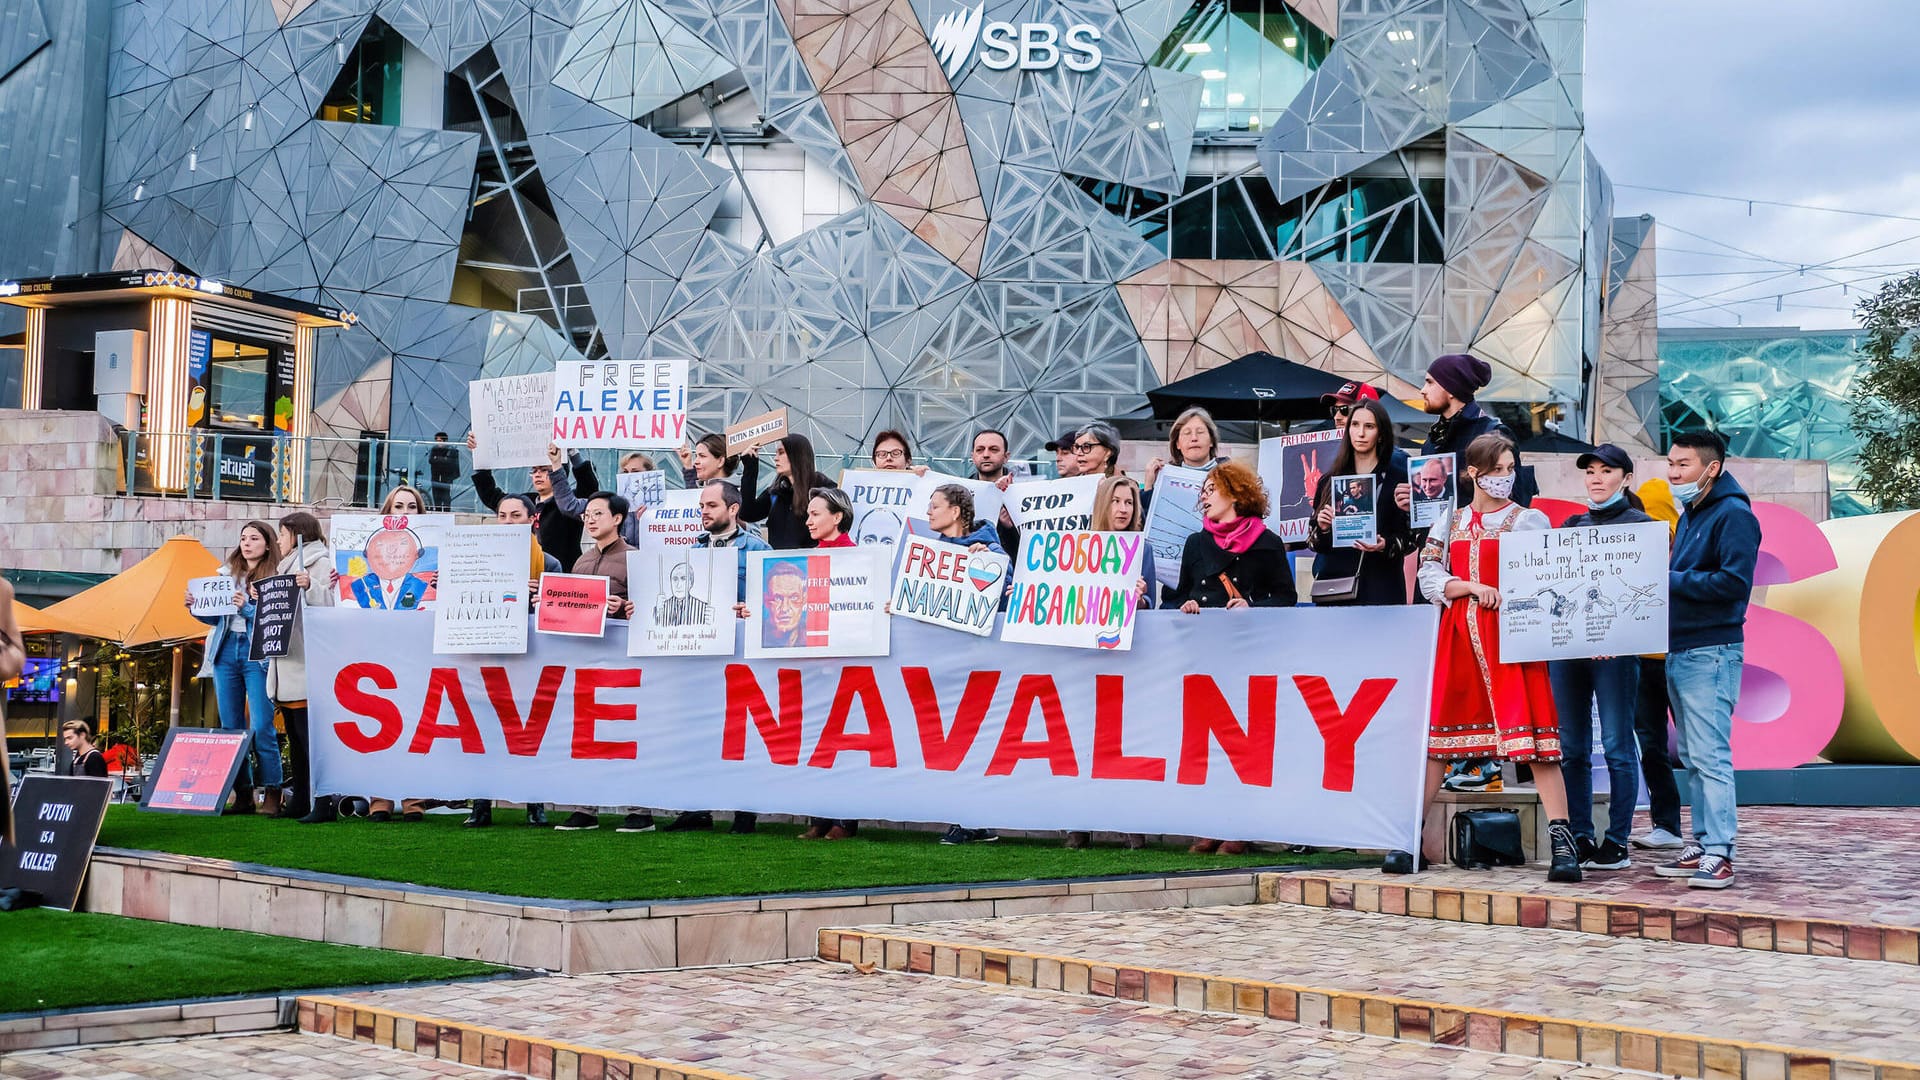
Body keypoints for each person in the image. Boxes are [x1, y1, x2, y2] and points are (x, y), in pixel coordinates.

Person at [1400, 433, 1580, 882]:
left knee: (1534, 739)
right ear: (1473, 473)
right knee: (1439, 740)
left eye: (1509, 468)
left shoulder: (1528, 520)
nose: (1505, 476)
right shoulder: (1449, 521)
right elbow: (1429, 577)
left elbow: (1548, 578)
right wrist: (1470, 587)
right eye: (1497, 469)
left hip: (1513, 638)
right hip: (1460, 634)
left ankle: (1563, 842)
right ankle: (1408, 838)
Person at [1165, 463, 1291, 856]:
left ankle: (1240, 827)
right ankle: (1210, 823)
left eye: (1211, 489)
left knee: (1245, 741)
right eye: (1202, 490)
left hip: (1248, 654)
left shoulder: (1268, 543)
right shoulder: (1195, 543)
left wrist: (1250, 605)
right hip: (1204, 656)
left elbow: (1286, 597)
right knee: (1207, 743)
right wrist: (1182, 605)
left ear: (1235, 494)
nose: (1203, 496)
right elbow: (1179, 593)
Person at [1655, 430, 1760, 890]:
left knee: (1711, 756)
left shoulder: (1733, 514)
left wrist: (1669, 579)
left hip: (1711, 651)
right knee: (1694, 758)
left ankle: (1721, 852)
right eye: (1671, 464)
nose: (1673, 473)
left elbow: (1734, 585)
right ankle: (1701, 843)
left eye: (1683, 465)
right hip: (1682, 648)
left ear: (1711, 469)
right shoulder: (1695, 512)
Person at [1546, 445, 1654, 871]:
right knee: (1571, 747)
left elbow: (1647, 598)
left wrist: (1620, 632)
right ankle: (1580, 835)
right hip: (1568, 652)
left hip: (1617, 653)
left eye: (1606, 470)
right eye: (1590, 471)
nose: (1595, 478)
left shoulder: (1642, 527)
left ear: (1626, 477)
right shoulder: (1570, 526)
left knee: (1615, 745)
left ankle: (1618, 840)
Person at [663, 480, 772, 836]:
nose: (704, 512)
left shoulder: (756, 548)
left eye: (711, 505)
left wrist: (750, 609)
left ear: (733, 509)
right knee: (696, 733)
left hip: (741, 659)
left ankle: (745, 812)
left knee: (743, 736)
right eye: (701, 506)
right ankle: (697, 808)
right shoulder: (692, 549)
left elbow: (771, 602)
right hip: (699, 657)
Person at [1064, 474, 1156, 852]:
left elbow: (1154, 608)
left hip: (1127, 661)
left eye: (1130, 503)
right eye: (1117, 501)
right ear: (1104, 505)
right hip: (1084, 660)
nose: (1123, 509)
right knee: (1080, 742)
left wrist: (1143, 599)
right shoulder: (1078, 547)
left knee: (1124, 744)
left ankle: (1130, 824)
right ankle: (1079, 824)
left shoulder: (1142, 549)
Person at [552, 491, 653, 835]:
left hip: (627, 663)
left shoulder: (637, 559)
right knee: (588, 734)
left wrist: (624, 607)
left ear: (618, 518)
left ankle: (640, 810)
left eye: (597, 513)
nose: (590, 519)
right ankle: (585, 808)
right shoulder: (580, 562)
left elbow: (651, 608)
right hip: (588, 660)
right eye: (587, 515)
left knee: (630, 734)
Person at [923, 484, 1008, 848]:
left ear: (956, 511)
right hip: (945, 664)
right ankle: (967, 818)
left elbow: (1007, 588)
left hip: (980, 664)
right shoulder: (927, 555)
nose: (929, 513)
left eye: (935, 506)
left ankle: (973, 819)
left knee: (972, 742)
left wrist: (988, 558)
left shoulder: (990, 548)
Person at [466, 494, 555, 829]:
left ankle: (534, 803)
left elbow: (561, 609)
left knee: (531, 731)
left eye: (515, 515)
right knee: (483, 728)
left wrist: (542, 595)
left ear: (532, 520)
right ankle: (481, 804)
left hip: (531, 659)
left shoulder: (550, 562)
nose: (507, 521)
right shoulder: (476, 560)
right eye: (502, 515)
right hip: (487, 655)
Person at [189, 520, 285, 816]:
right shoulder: (224, 574)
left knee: (260, 726)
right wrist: (196, 606)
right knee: (231, 728)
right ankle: (242, 792)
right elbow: (215, 620)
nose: (246, 543)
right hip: (226, 648)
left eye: (254, 538)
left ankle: (272, 791)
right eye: (243, 538)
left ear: (268, 544)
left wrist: (246, 607)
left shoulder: (276, 577)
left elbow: (274, 622)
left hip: (257, 653)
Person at [262, 511, 333, 822]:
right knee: (296, 738)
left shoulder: (320, 563)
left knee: (310, 739)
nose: (278, 540)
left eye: (282, 534)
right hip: (289, 663)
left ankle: (323, 800)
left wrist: (311, 586)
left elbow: (333, 601)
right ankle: (302, 798)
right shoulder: (285, 568)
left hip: (306, 663)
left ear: (297, 535)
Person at [1309, 399, 1414, 606]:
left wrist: (1385, 544)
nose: (1361, 433)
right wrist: (1322, 527)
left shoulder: (1399, 479)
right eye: (1355, 425)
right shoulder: (1330, 480)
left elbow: (1411, 540)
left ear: (1381, 433)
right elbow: (1314, 543)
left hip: (1382, 587)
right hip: (1336, 588)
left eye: (1369, 426)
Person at [1629, 477, 1685, 850]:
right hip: (1640, 661)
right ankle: (1666, 824)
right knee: (1651, 745)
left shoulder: (1683, 562)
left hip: (1681, 657)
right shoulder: (1631, 560)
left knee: (1696, 746)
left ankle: (1712, 833)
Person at [469, 431, 599, 572]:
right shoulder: (524, 501)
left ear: (559, 471)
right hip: (525, 571)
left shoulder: (570, 502)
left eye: (544, 470)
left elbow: (589, 487)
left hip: (561, 574)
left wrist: (572, 452)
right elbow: (490, 494)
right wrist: (479, 455)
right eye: (534, 470)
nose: (538, 474)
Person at [740, 434, 830, 549]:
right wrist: (750, 467)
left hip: (812, 562)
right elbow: (748, 514)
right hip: (779, 563)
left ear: (797, 455)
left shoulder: (823, 489)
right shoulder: (776, 492)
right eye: (776, 453)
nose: (776, 458)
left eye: (781, 452)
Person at [549, 443, 640, 546]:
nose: (629, 477)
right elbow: (569, 505)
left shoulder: (660, 510)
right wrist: (562, 460)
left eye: (635, 472)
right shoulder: (612, 504)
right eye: (625, 472)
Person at [1145, 406, 1227, 489]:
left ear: (1212, 440)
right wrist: (1149, 484)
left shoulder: (1231, 475)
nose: (1194, 438)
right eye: (1187, 433)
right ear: (1177, 444)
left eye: (1200, 432)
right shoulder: (1166, 478)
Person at [970, 428, 1021, 557]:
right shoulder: (959, 492)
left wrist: (1012, 526)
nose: (986, 455)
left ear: (1006, 457)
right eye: (980, 450)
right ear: (973, 456)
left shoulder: (1023, 492)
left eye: (994, 449)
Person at [427, 432, 460, 510]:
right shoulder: (434, 449)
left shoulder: (450, 449)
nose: (438, 443)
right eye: (437, 441)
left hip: (446, 479)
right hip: (435, 478)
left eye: (440, 441)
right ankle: (437, 514)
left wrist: (437, 459)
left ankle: (446, 514)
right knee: (436, 498)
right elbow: (431, 460)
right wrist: (443, 459)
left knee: (446, 499)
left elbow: (449, 462)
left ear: (445, 441)